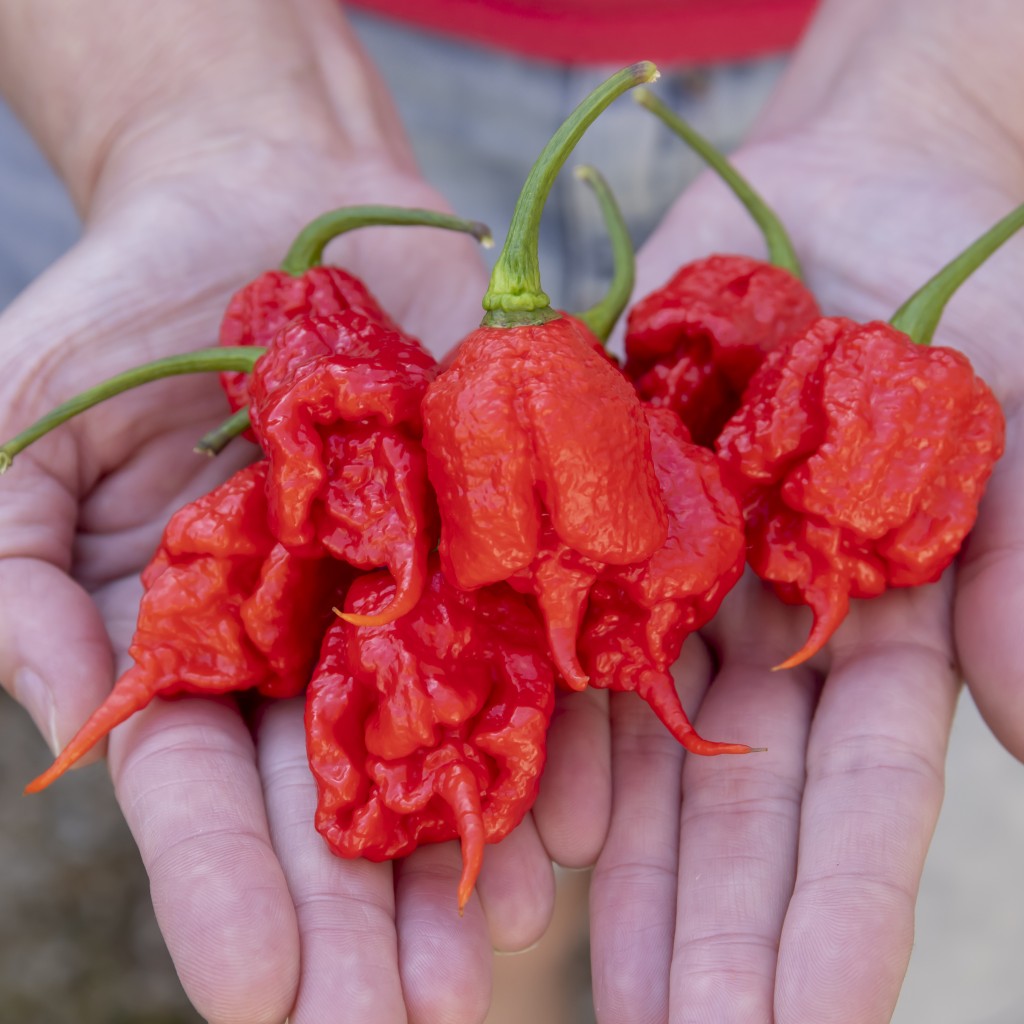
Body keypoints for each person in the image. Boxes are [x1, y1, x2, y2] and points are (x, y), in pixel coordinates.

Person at [0, 1, 1022, 1022]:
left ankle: (524, 962)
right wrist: (185, 113)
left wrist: (961, 101)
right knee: (563, 773)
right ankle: (513, 978)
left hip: (860, 59)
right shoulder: (413, 406)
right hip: (288, 48)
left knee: (592, 771)